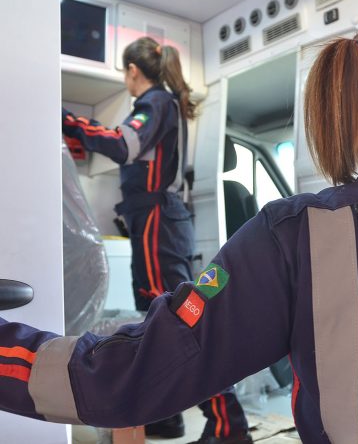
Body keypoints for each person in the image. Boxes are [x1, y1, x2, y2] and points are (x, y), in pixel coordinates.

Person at [0, 12, 358, 444]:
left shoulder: (295, 233)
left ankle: (224, 427)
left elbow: (137, 370)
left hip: (155, 218)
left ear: (356, 111)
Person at [60, 37, 251, 443]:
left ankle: (227, 425)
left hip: (157, 222)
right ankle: (168, 415)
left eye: (125, 74)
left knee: (180, 321)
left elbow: (122, 144)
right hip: (156, 221)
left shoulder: (155, 103)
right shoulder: (163, 105)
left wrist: (68, 121)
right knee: (159, 320)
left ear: (133, 71)